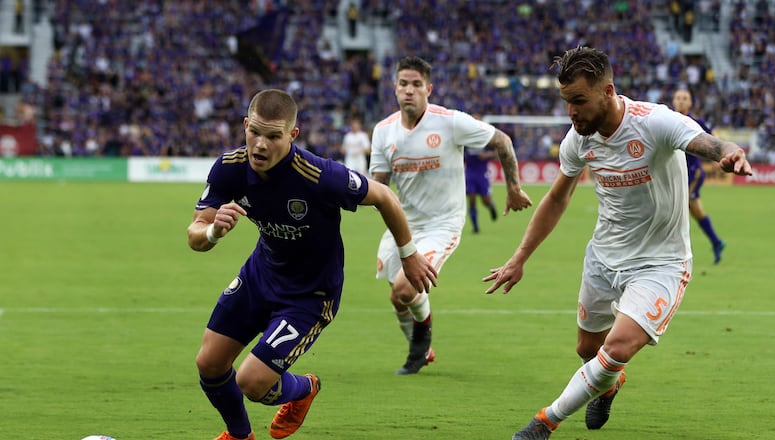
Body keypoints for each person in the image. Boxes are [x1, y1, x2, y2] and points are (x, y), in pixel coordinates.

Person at [483, 46, 752, 440]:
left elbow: (706, 143)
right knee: (588, 351)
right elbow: (558, 197)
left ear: (607, 91)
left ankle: (543, 423)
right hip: (604, 258)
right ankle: (610, 384)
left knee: (618, 347)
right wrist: (520, 256)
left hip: (660, 262)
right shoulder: (578, 140)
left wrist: (729, 152)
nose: (571, 112)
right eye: (566, 103)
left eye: (579, 101)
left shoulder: (655, 121)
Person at [187, 89, 438, 440]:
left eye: (273, 136)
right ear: (245, 125)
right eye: (254, 132)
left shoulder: (319, 176)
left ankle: (304, 389)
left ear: (293, 135)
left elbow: (384, 196)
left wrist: (409, 255)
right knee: (209, 364)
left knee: (252, 383)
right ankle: (240, 435)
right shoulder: (230, 168)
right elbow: (195, 234)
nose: (260, 144)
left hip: (309, 295)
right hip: (260, 276)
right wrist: (213, 231)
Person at [369, 56, 533, 375]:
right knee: (397, 297)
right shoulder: (383, 131)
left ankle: (417, 350)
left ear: (429, 89)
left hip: (442, 224)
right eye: (403, 84)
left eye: (417, 84)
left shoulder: (450, 122)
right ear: (394, 88)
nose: (409, 91)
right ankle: (424, 349)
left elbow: (502, 140)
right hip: (403, 224)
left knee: (406, 288)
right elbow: (379, 186)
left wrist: (513, 186)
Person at [672, 88, 726, 263]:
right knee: (695, 211)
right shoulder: (667, 121)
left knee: (677, 208)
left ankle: (675, 253)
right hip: (674, 174)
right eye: (678, 98)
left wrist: (719, 158)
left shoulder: (696, 122)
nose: (681, 101)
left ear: (690, 103)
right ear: (673, 101)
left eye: (684, 98)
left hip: (692, 173)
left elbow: (713, 138)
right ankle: (716, 242)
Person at [464, 144, 499, 234]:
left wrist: (488, 155)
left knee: (485, 200)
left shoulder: (485, 140)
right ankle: (475, 227)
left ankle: (491, 206)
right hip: (470, 174)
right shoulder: (466, 141)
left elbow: (497, 151)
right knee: (472, 200)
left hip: (482, 175)